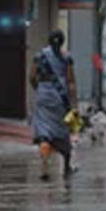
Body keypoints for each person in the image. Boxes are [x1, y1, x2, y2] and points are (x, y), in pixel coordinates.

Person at [29, 30, 78, 180]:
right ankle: (67, 166)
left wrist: (40, 89)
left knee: (44, 133)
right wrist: (74, 103)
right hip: (60, 98)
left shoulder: (39, 56)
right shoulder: (66, 57)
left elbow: (32, 77)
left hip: (43, 97)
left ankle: (44, 167)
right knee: (62, 131)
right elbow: (71, 82)